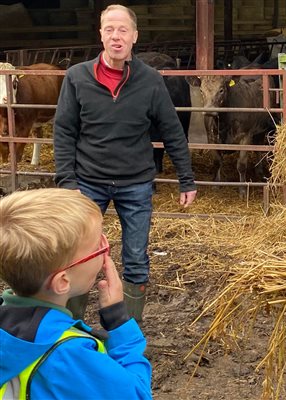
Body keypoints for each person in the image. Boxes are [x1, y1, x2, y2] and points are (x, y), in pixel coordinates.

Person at [53, 4, 197, 322]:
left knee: (135, 257)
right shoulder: (77, 77)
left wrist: (186, 179)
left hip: (136, 183)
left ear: (134, 36)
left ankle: (128, 332)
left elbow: (173, 130)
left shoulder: (150, 81)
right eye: (109, 30)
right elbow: (63, 131)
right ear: (101, 35)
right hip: (88, 182)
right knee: (78, 254)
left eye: (122, 30)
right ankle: (71, 329)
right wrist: (68, 182)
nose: (116, 37)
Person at [0, 188, 152, 399]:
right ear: (63, 281)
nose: (105, 250)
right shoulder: (69, 354)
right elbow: (136, 395)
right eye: (98, 248)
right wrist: (119, 325)